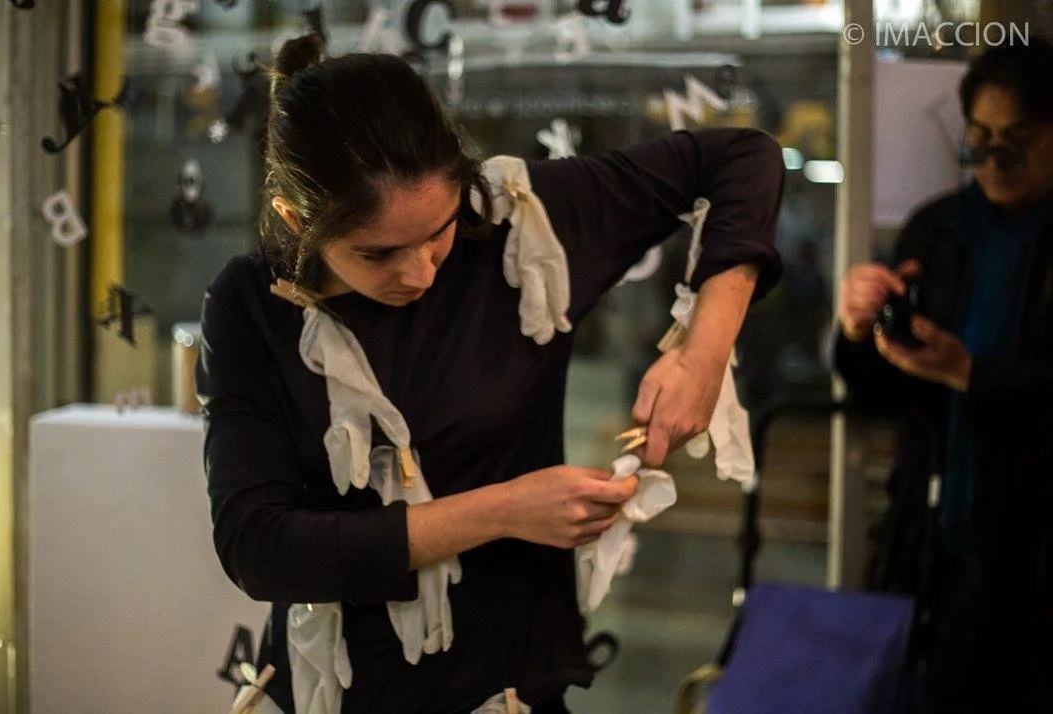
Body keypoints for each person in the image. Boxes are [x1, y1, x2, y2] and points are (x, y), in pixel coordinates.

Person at [197, 33, 783, 714]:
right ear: (297, 221)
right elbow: (258, 548)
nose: (420, 272)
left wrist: (701, 355)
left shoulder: (518, 228)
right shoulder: (252, 306)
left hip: (512, 687)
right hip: (342, 692)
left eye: (438, 231)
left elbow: (744, 159)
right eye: (379, 253)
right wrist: (505, 511)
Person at [834, 38, 1053, 713]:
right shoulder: (939, 229)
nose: (995, 160)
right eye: (979, 138)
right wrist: (859, 332)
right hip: (938, 539)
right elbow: (884, 389)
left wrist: (969, 374)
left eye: (1017, 140)